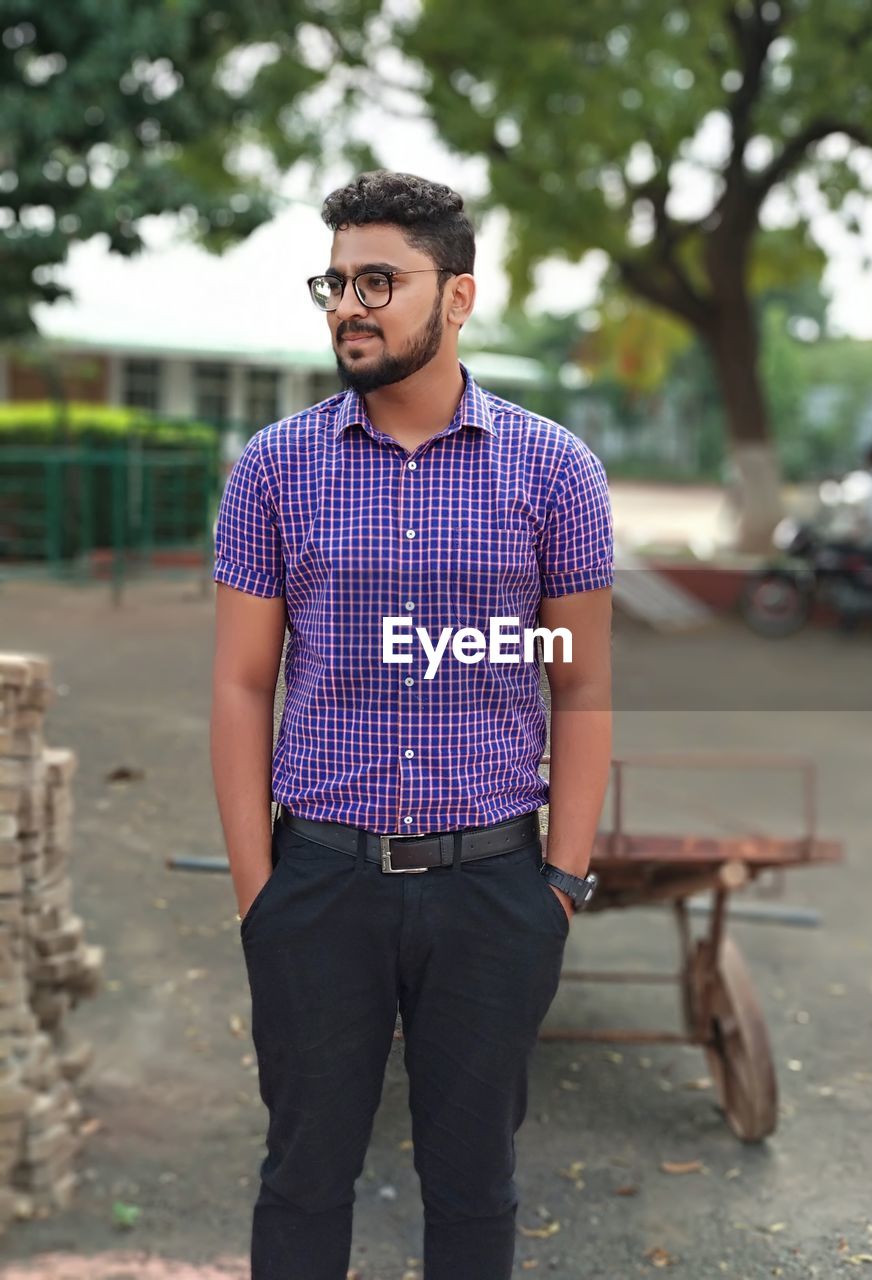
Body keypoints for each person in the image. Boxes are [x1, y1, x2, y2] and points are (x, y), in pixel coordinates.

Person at [209, 171, 614, 1280]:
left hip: (493, 887)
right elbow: (244, 684)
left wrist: (561, 886)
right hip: (319, 882)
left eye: (380, 280)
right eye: (336, 281)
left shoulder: (555, 471)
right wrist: (260, 890)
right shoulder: (275, 469)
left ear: (460, 295)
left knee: (474, 1187)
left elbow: (580, 688)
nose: (351, 303)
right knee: (301, 1176)